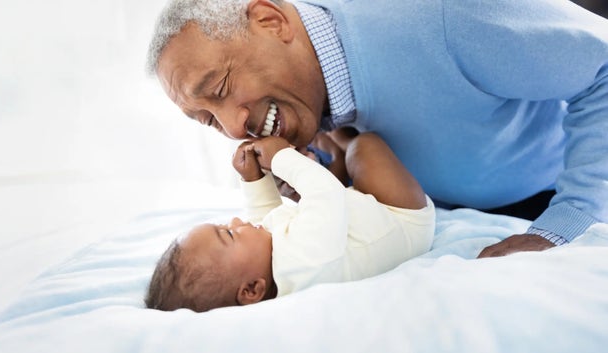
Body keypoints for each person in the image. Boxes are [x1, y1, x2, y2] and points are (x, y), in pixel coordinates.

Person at [145, 0, 608, 258]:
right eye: (207, 119)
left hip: (558, 190)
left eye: (222, 86)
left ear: (271, 20)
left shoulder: (444, 15)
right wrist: (332, 174)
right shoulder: (320, 105)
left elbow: (603, 64)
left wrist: (565, 226)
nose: (231, 127)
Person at [145, 133, 435, 312]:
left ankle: (335, 154)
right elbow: (326, 194)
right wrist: (282, 156)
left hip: (354, 213)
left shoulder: (273, 269)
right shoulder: (305, 263)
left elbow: (264, 215)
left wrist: (254, 179)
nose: (235, 220)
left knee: (312, 190)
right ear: (251, 290)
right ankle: (344, 143)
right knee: (365, 147)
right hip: (402, 217)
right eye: (229, 235)